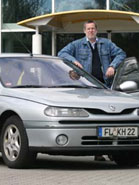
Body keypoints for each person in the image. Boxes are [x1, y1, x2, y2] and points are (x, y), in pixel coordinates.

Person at [58, 20, 126, 161]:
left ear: (96, 30)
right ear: (84, 31)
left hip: (104, 86)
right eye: (88, 29)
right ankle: (98, 152)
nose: (90, 31)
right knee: (95, 118)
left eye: (93, 28)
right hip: (85, 87)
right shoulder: (77, 45)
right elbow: (62, 53)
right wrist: (74, 62)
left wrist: (112, 66)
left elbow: (121, 53)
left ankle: (112, 149)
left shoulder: (106, 44)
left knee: (110, 119)